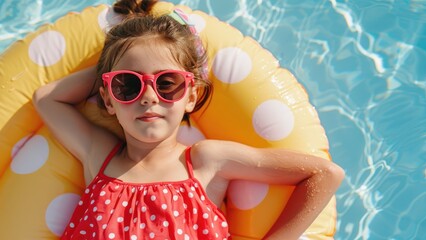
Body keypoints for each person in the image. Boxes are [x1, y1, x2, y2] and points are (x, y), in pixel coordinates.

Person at [32, 0, 344, 239]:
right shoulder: (99, 155)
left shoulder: (206, 160)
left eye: (167, 82)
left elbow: (325, 174)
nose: (149, 96)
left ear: (191, 96)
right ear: (109, 99)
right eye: (128, 84)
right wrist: (113, 64)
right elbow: (46, 99)